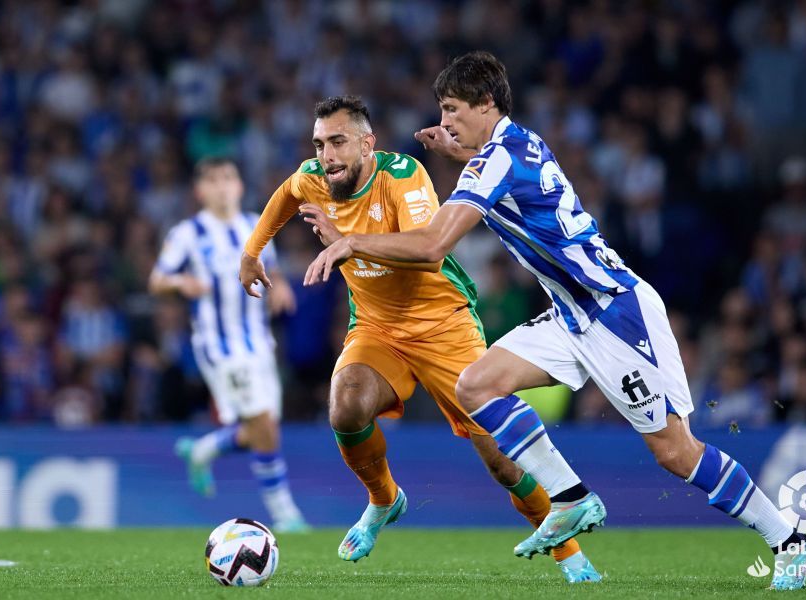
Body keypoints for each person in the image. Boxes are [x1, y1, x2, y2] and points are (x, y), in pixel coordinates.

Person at [303, 53, 806, 591]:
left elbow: (433, 244)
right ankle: (571, 498)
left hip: (615, 313)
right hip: (570, 313)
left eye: (453, 109)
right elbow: (494, 168)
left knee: (675, 452)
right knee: (476, 384)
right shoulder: (518, 143)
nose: (445, 120)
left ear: (486, 104)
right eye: (442, 109)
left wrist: (351, 242)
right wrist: (458, 149)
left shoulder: (494, 161)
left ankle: (789, 540)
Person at [239, 96, 595, 582]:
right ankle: (384, 499)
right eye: (319, 144)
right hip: (377, 327)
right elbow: (285, 194)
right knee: (345, 406)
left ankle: (570, 555)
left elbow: (428, 252)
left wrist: (347, 241)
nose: (327, 155)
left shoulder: (403, 177)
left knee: (503, 462)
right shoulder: (314, 177)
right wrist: (252, 252)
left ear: (368, 144)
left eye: (338, 142)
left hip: (443, 326)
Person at [149, 157, 308, 532]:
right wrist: (180, 283)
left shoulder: (256, 224)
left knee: (263, 429)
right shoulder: (188, 233)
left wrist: (281, 287)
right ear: (200, 191)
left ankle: (202, 450)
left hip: (259, 342)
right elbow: (157, 279)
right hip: (219, 345)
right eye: (212, 180)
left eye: (227, 178)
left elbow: (271, 267)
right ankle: (285, 514)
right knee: (262, 423)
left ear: (239, 186)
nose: (221, 186)